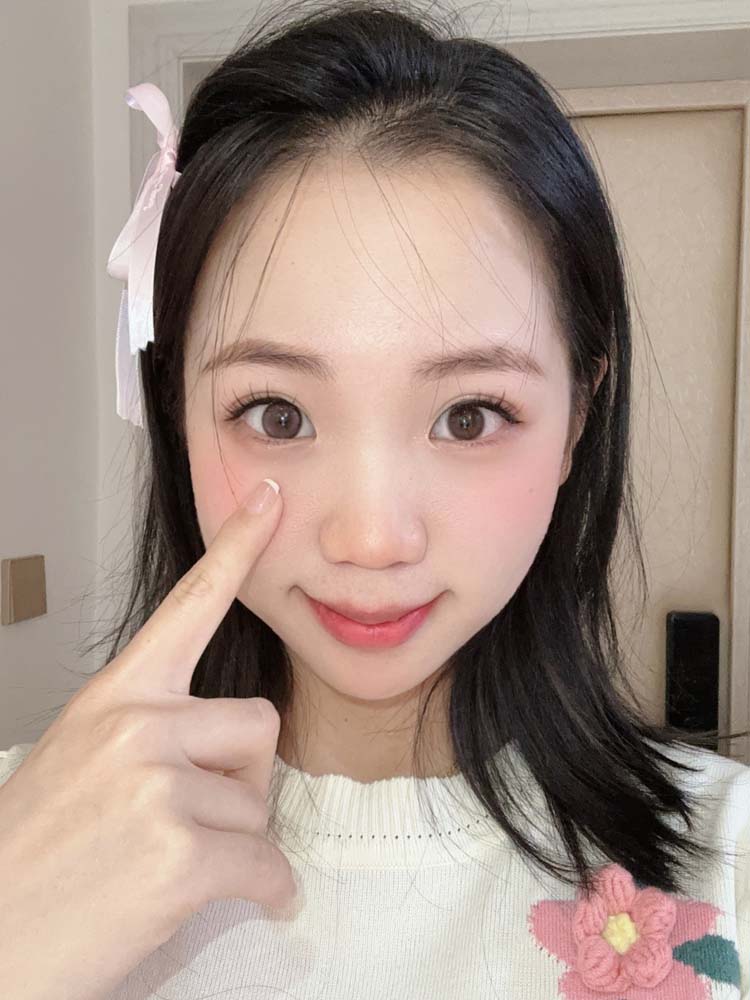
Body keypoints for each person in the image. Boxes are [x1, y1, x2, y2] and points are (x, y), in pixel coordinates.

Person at [1, 0, 749, 997]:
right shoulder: (25, 834)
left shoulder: (728, 863)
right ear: (175, 410)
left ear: (577, 417)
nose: (370, 538)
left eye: (470, 417)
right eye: (276, 414)